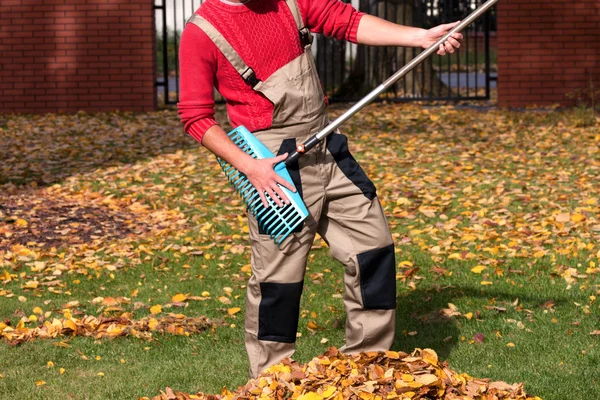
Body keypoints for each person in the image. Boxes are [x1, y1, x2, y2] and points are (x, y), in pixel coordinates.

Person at [178, 0, 462, 378]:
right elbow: (194, 115)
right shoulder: (202, 31)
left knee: (372, 247)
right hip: (273, 164)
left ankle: (367, 363)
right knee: (278, 278)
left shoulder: (290, 2)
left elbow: (346, 21)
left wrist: (420, 37)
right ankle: (272, 378)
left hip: (327, 144)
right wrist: (251, 168)